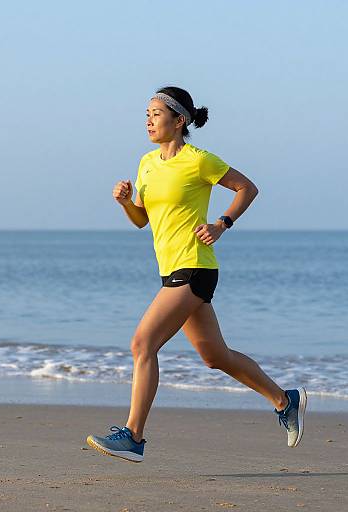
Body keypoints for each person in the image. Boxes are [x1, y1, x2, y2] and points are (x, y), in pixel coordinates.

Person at [86, 86, 307, 463]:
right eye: (147, 113)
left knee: (143, 344)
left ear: (179, 120)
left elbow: (246, 187)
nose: (149, 120)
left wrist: (222, 223)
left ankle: (133, 437)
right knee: (214, 356)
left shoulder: (199, 160)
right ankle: (285, 401)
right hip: (170, 269)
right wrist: (126, 203)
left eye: (156, 113)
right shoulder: (146, 163)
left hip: (195, 267)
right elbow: (143, 220)